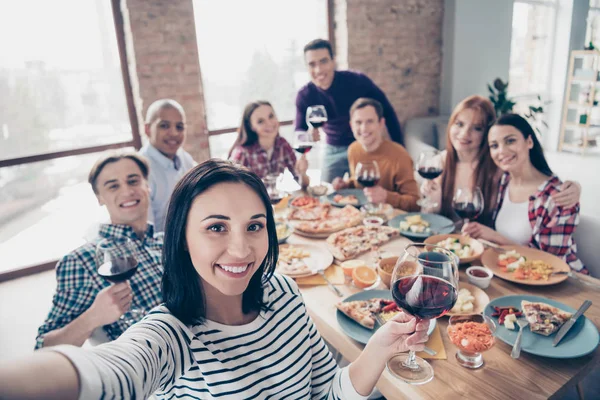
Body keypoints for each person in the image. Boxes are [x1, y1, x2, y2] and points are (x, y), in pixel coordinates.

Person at [1, 160, 430, 399]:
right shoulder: (170, 333)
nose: (242, 251)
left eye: (255, 226)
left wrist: (376, 350)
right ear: (181, 239)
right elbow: (107, 371)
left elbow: (326, 392)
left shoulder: (282, 290)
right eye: (216, 227)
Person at [34, 152, 164, 350]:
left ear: (147, 185)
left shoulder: (167, 243)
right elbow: (44, 349)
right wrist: (93, 317)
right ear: (100, 198)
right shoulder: (81, 261)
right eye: (113, 186)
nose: (127, 191)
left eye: (133, 181)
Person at [422, 95, 581, 226]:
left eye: (477, 128)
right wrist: (432, 203)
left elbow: (535, 183)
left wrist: (575, 187)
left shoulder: (499, 167)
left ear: (487, 133)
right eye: (459, 124)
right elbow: (428, 221)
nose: (464, 134)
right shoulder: (439, 163)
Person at [462, 114, 587, 273]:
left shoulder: (558, 196)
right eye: (494, 145)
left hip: (565, 284)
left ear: (529, 141)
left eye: (510, 141)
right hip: (512, 273)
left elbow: (549, 262)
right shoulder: (504, 181)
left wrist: (495, 237)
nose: (502, 151)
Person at [295, 39, 404, 182]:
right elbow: (299, 131)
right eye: (312, 64)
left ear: (333, 61)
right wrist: (308, 135)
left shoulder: (357, 81)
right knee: (328, 193)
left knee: (370, 191)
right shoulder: (305, 95)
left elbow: (387, 112)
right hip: (333, 147)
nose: (318, 70)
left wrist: (401, 150)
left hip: (364, 144)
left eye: (324, 61)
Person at [332, 98, 420, 211]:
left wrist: (387, 197)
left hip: (390, 221)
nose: (364, 128)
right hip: (360, 217)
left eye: (370, 121)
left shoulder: (400, 155)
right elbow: (359, 184)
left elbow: (415, 204)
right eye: (358, 122)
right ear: (351, 125)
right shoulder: (353, 149)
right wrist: (346, 185)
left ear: (381, 124)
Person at [139, 98, 196, 232]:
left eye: (179, 127)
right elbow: (146, 231)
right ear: (147, 129)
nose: (174, 133)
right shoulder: (141, 170)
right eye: (164, 126)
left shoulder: (185, 158)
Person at [229, 100, 309, 187]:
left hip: (276, 199)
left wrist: (302, 173)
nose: (269, 123)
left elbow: (303, 185)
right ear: (252, 127)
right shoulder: (242, 154)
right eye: (260, 121)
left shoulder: (283, 145)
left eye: (271, 116)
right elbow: (232, 192)